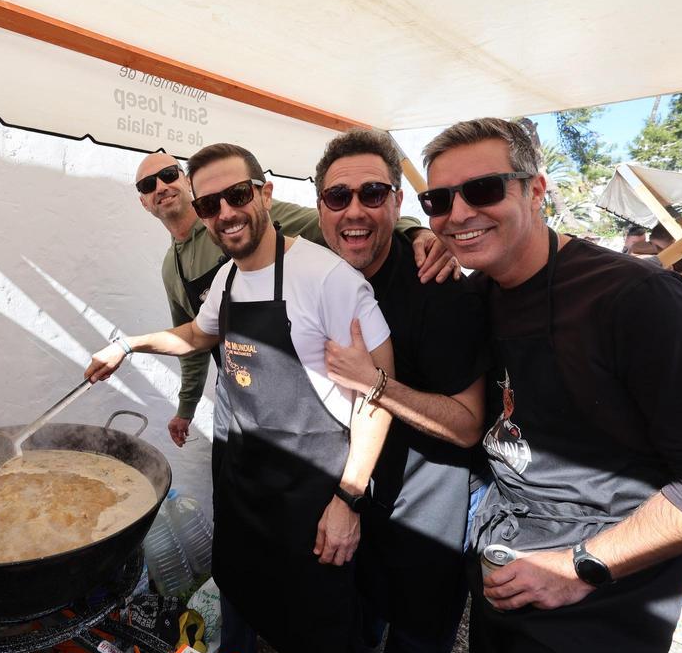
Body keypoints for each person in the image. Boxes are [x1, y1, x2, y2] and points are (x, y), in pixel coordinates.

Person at [419, 117, 682, 653]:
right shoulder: (484, 293)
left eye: (482, 190)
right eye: (437, 200)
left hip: (604, 587)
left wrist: (582, 565)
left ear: (536, 190)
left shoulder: (635, 298)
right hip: (510, 567)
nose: (457, 213)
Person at [91, 143, 394, 653]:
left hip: (313, 488)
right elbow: (197, 337)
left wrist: (349, 498)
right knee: (238, 581)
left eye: (237, 195)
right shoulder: (226, 278)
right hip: (243, 478)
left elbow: (378, 397)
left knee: (317, 623)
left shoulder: (327, 276)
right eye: (211, 203)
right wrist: (129, 344)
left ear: (265, 193)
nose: (226, 211)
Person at [313, 129, 491, 653]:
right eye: (338, 197)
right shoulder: (316, 274)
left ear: (395, 202)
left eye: (372, 193)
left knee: (420, 630)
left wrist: (377, 383)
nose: (354, 210)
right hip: (351, 485)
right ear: (319, 208)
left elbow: (468, 427)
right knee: (355, 605)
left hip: (426, 500)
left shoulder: (438, 289)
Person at [133, 151, 453, 447]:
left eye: (169, 174)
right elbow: (193, 340)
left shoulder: (249, 219)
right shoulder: (171, 270)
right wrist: (186, 407)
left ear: (186, 183)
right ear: (144, 203)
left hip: (305, 410)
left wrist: (412, 231)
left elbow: (338, 221)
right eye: (149, 185)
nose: (161, 186)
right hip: (242, 401)